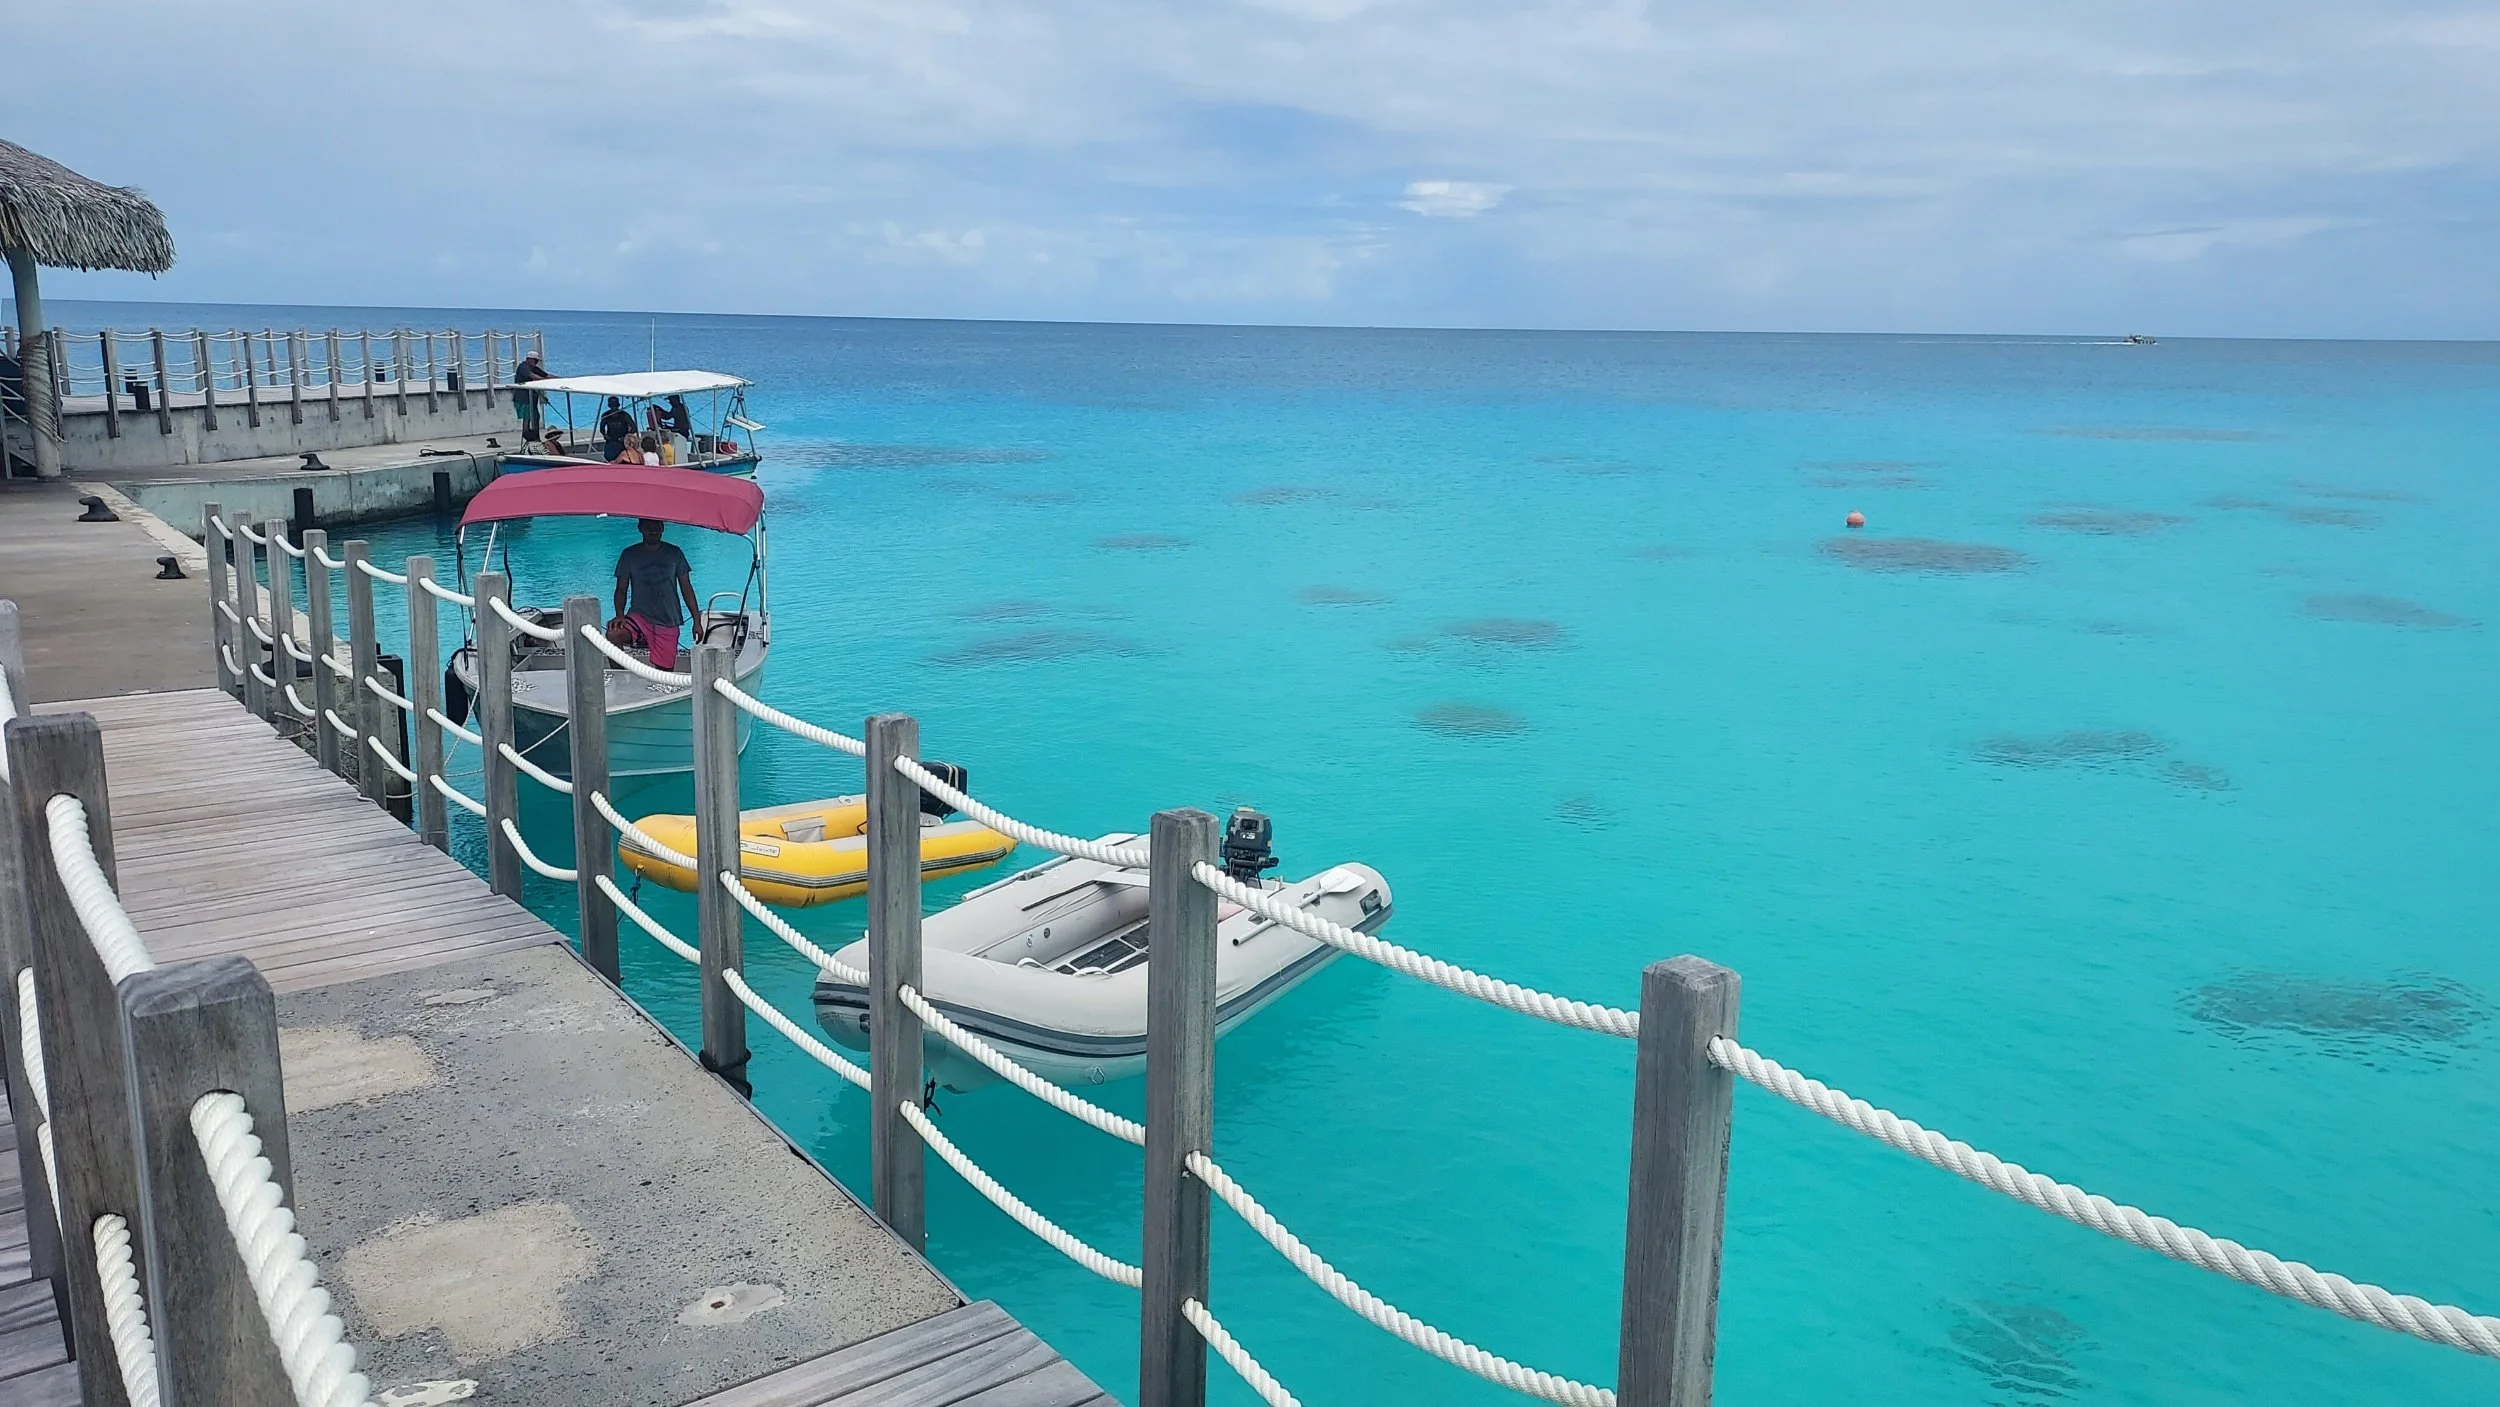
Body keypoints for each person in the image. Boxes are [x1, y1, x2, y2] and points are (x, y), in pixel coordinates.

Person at [612, 519, 699, 671]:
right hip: (639, 617)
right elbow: (621, 589)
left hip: (668, 620)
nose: (653, 531)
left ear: (662, 528)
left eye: (656, 527)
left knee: (664, 673)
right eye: (648, 527)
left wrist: (696, 621)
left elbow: (687, 588)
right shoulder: (629, 555)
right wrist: (619, 615)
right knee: (613, 635)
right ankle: (619, 677)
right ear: (640, 528)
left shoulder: (675, 553)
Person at [512, 351, 552, 443]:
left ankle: (536, 437)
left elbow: (546, 375)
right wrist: (546, 380)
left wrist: (559, 379)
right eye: (535, 360)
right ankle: (528, 438)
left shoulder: (533, 367)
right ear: (529, 359)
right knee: (527, 418)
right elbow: (533, 376)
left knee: (535, 417)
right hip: (523, 398)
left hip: (532, 398)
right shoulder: (523, 367)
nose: (536, 362)